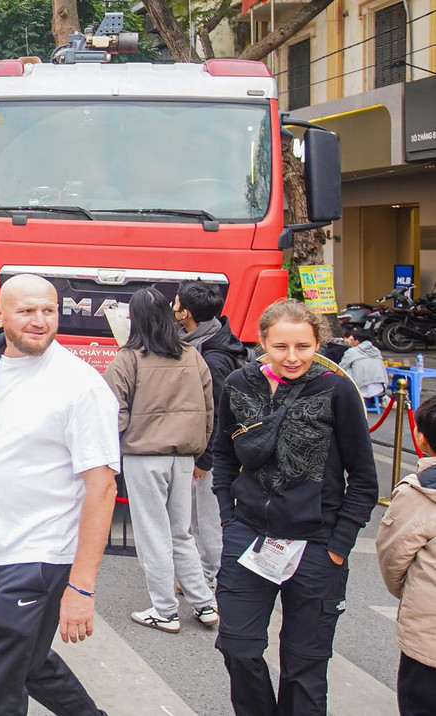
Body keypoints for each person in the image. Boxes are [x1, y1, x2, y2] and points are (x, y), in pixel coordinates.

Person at [0, 274, 120, 716]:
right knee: (27, 662)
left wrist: (81, 588)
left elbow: (102, 486)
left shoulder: (81, 386)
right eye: (26, 311)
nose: (39, 321)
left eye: (48, 311)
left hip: (40, 551)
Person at [212, 298, 379, 715]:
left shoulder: (337, 389)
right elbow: (222, 457)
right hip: (249, 539)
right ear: (262, 341)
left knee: (304, 666)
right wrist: (230, 520)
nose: (292, 357)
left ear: (318, 343)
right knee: (238, 646)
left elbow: (363, 478)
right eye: (281, 346)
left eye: (303, 347)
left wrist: (337, 545)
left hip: (318, 546)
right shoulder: (238, 384)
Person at [103, 287, 218, 633]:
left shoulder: (128, 358)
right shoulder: (191, 355)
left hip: (143, 455)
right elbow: (209, 408)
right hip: (183, 454)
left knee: (153, 533)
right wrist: (199, 449)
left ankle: (164, 609)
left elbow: (113, 410)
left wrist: (117, 444)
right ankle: (204, 603)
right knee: (180, 532)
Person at [174, 280, 248, 588]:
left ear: (186, 314)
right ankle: (203, 573)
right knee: (199, 516)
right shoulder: (205, 339)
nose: (172, 309)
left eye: (176, 305)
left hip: (213, 451)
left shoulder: (213, 357)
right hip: (205, 446)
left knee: (209, 518)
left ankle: (216, 576)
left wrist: (206, 459)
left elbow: (219, 412)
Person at [376, 398, 436, 716]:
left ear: (420, 437)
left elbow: (393, 560)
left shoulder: (417, 493)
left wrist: (411, 591)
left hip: (428, 643)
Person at [340, 328, 388, 409]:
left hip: (361, 388)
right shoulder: (376, 350)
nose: (351, 342)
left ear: (357, 341)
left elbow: (341, 367)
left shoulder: (352, 351)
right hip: (380, 387)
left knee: (345, 371)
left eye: (352, 340)